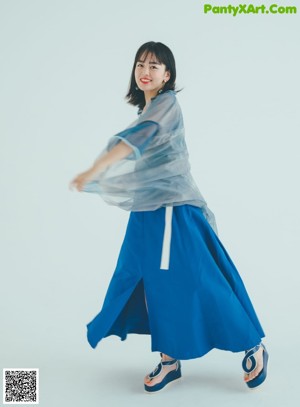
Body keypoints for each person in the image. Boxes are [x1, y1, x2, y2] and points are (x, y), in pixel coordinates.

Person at [69, 41, 269, 393]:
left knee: (202, 280)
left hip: (175, 211)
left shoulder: (166, 106)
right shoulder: (147, 111)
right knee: (142, 279)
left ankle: (252, 344)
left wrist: (94, 169)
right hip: (147, 212)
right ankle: (169, 358)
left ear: (168, 75)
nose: (145, 71)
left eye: (155, 66)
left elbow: (131, 142)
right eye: (140, 65)